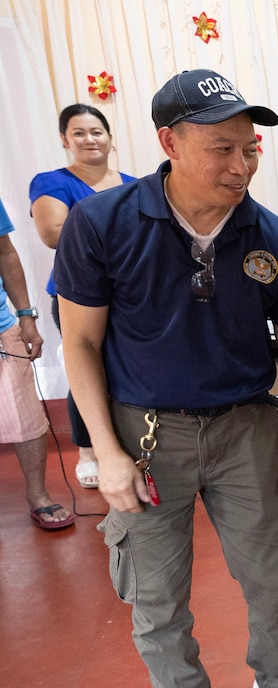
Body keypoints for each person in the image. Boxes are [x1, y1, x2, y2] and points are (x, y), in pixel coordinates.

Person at [56, 69, 278, 688]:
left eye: (250, 148)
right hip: (144, 435)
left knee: (272, 573)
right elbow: (78, 342)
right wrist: (103, 453)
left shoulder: (273, 237)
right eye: (222, 148)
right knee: (155, 591)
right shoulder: (103, 224)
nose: (241, 165)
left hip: (245, 430)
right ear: (169, 141)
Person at [28, 104, 137, 488]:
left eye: (97, 131)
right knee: (86, 367)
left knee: (129, 367)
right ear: (64, 139)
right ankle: (88, 450)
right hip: (79, 294)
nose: (89, 139)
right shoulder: (52, 181)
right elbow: (53, 233)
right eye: (79, 132)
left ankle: (131, 445)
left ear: (110, 137)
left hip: (131, 292)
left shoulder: (133, 182)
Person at [0, 199, 73, 530]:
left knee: (27, 417)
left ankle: (38, 495)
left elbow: (5, 253)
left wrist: (26, 316)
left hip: (1, 330)